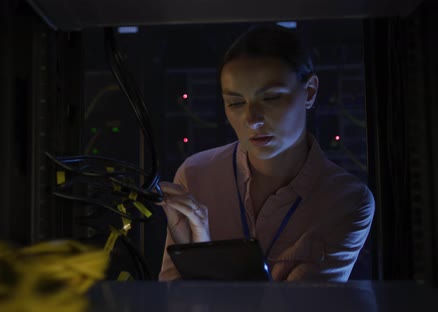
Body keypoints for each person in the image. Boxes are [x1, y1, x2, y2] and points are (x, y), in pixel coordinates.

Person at [158, 25, 375, 282]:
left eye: (271, 98)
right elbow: (173, 301)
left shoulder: (347, 201)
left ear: (310, 92)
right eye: (236, 103)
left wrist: (203, 262)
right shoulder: (195, 176)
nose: (252, 120)